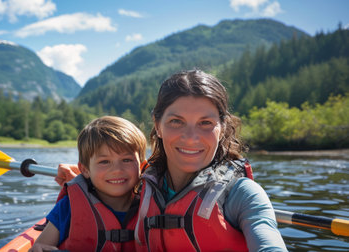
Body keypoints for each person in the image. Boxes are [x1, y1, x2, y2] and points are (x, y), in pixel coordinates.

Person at [56, 69, 287, 251]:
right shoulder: (141, 181)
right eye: (176, 121)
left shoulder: (244, 194)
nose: (190, 138)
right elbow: (108, 178)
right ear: (158, 125)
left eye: (205, 123)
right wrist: (80, 177)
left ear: (222, 127)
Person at [30, 116, 147, 252]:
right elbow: (38, 247)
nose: (117, 170)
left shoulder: (151, 205)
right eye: (104, 162)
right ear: (85, 170)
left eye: (126, 160)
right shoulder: (68, 208)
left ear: (142, 166)